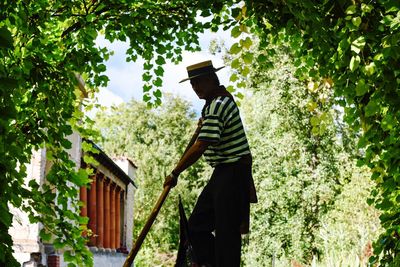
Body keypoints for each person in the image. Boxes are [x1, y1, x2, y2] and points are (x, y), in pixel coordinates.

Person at [164, 60, 257, 267]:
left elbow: (200, 146)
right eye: (192, 85)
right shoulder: (212, 106)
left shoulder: (218, 105)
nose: (195, 88)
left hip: (233, 171)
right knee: (197, 227)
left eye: (198, 83)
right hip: (224, 171)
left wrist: (175, 173)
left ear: (211, 80)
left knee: (227, 232)